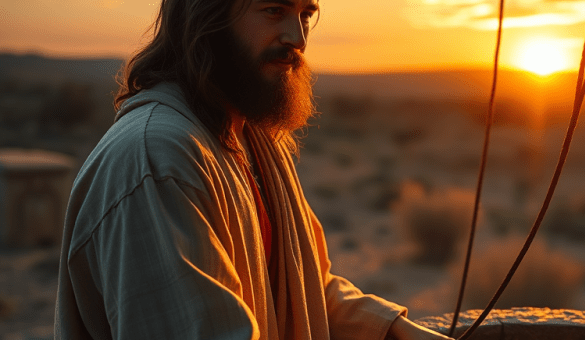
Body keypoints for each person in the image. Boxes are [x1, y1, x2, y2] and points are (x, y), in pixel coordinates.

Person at [54, 0, 453, 339]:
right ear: (207, 14)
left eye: (305, 15)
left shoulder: (253, 135)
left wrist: (396, 331)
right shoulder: (157, 161)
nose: (297, 38)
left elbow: (303, 287)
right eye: (274, 11)